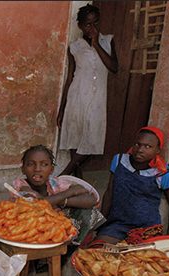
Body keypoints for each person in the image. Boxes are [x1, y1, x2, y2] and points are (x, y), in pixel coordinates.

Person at [86, 127, 169, 247]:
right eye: (137, 144)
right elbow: (110, 192)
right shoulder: (119, 161)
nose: (140, 150)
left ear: (158, 149)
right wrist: (100, 223)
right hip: (117, 225)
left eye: (148, 146)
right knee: (96, 250)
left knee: (139, 261)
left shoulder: (162, 172)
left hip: (147, 229)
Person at [56, 4, 118, 178]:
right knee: (75, 140)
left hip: (97, 100)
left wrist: (96, 44)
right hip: (77, 98)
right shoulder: (74, 48)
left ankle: (61, 176)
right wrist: (62, 109)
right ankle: (76, 181)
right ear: (80, 26)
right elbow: (70, 78)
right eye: (88, 25)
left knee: (91, 140)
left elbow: (113, 67)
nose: (93, 28)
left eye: (96, 23)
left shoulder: (108, 41)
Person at [9, 145, 103, 247]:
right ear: (23, 169)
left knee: (87, 211)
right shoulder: (19, 185)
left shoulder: (55, 183)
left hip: (57, 229)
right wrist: (68, 193)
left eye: (44, 164)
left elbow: (91, 200)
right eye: (31, 164)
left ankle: (69, 250)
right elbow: (35, 205)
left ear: (51, 169)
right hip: (31, 230)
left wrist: (60, 200)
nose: (37, 169)